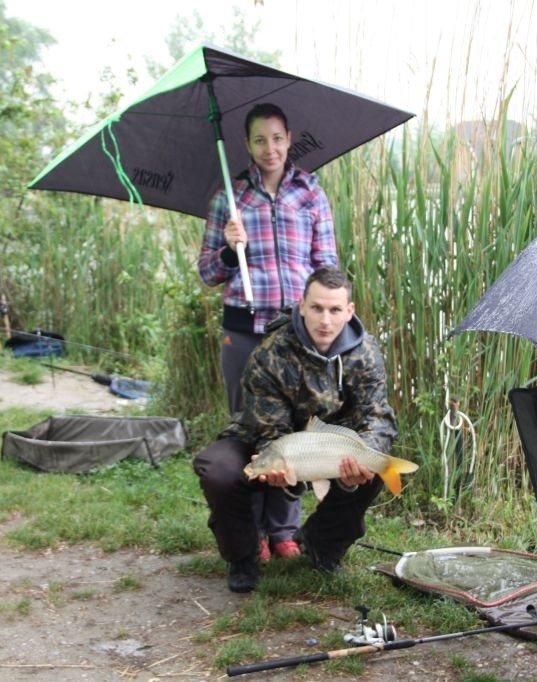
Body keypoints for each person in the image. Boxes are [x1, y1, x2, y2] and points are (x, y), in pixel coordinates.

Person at [193, 267, 398, 593]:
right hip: (266, 440)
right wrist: (281, 473)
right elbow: (268, 428)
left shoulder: (366, 352)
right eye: (317, 308)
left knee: (373, 465)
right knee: (219, 471)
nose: (325, 320)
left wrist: (364, 454)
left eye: (334, 310)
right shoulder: (272, 351)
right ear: (301, 305)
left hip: (332, 443)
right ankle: (243, 555)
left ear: (349, 311)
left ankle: (322, 544)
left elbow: (378, 418)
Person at [197, 102, 339, 562]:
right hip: (243, 330)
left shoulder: (310, 191)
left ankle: (284, 531)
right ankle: (253, 529)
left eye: (277, 138)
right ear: (247, 144)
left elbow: (328, 267)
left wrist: (326, 322)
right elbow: (206, 272)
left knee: (295, 427)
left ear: (288, 138)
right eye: (259, 140)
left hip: (295, 334)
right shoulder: (230, 197)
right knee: (250, 429)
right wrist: (227, 248)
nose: (270, 148)